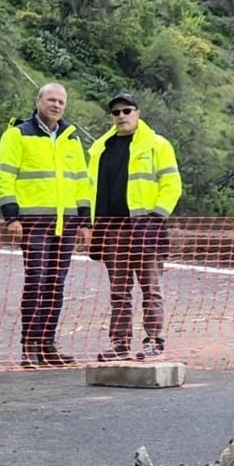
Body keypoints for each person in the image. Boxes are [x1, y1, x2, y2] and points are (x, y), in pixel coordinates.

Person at [0, 82, 89, 367]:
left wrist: (84, 221)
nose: (56, 105)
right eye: (51, 99)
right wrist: (12, 217)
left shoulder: (71, 139)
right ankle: (29, 345)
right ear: (38, 101)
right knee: (36, 281)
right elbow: (4, 176)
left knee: (55, 284)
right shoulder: (17, 135)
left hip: (66, 223)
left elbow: (82, 182)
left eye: (61, 101)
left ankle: (47, 344)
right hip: (34, 222)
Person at [86, 92, 181, 360]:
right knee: (119, 292)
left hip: (146, 228)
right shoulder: (100, 149)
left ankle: (154, 341)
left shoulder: (157, 145)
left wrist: (156, 217)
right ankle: (119, 344)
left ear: (138, 113)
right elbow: (90, 188)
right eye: (116, 112)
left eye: (127, 111)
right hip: (112, 230)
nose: (121, 116)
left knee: (151, 288)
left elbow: (172, 185)